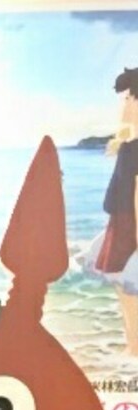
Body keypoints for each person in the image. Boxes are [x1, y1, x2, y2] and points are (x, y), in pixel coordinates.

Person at [83, 67, 138, 355]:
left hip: (129, 225)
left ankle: (134, 348)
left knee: (130, 291)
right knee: (125, 290)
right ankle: (132, 348)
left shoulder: (134, 149)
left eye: (128, 98)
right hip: (121, 222)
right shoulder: (128, 146)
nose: (123, 105)